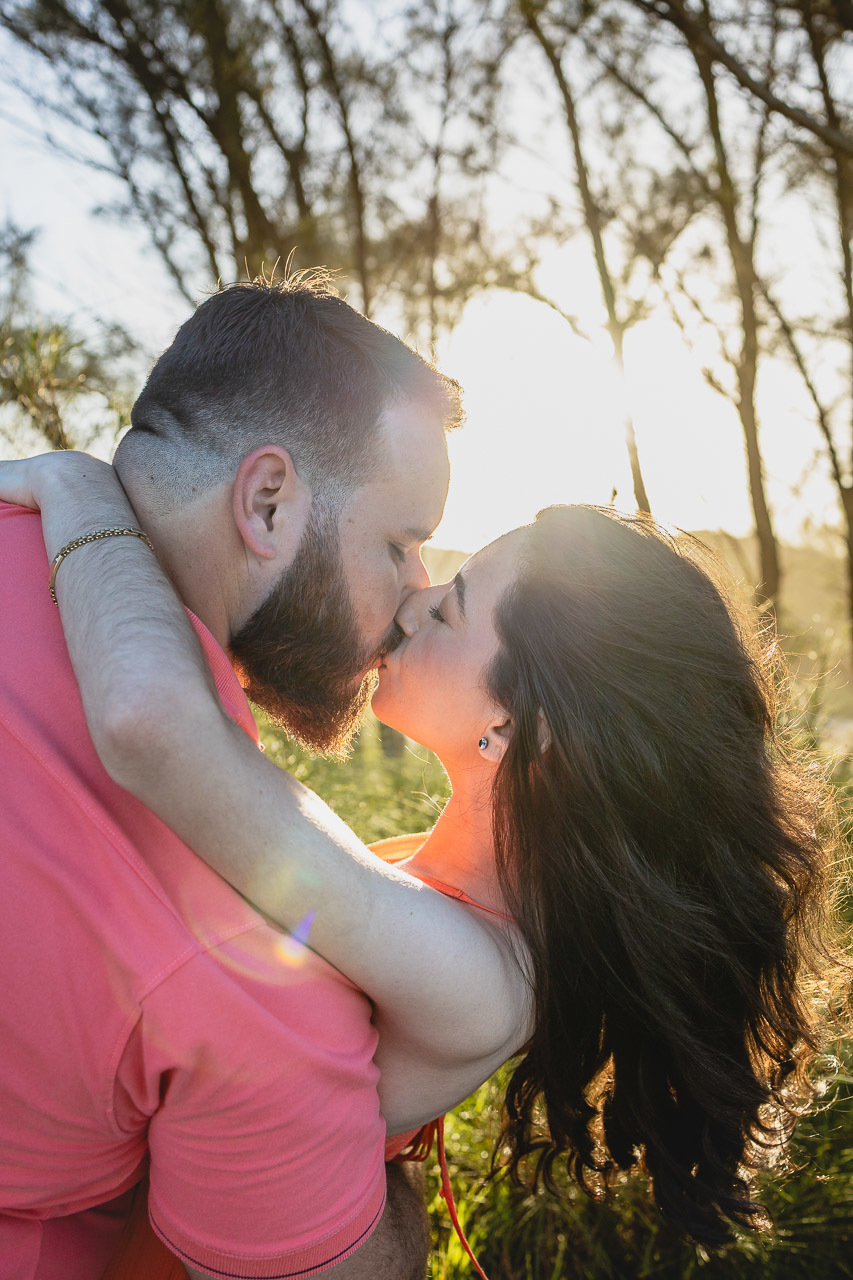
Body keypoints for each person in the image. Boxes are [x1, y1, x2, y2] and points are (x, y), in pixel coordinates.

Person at [0, 448, 844, 1265]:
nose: (412, 600)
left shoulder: (481, 980)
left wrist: (72, 482)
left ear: (513, 727)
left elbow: (160, 730)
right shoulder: (445, 884)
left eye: (449, 607)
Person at [0, 274, 463, 1280]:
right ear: (266, 500)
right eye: (399, 542)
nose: (418, 587)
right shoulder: (249, 949)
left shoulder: (23, 497)